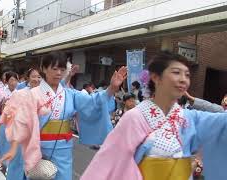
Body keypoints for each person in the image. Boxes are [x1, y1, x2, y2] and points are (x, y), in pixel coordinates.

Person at [81, 51, 227, 180]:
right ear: (156, 77)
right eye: (176, 72)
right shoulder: (134, 118)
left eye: (187, 75)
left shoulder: (189, 118)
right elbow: (106, 163)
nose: (184, 79)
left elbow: (222, 122)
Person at [0, 52, 127, 180]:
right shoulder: (31, 95)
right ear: (44, 69)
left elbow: (92, 101)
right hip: (36, 147)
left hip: (63, 148)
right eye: (54, 68)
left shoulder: (70, 94)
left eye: (62, 69)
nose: (58, 73)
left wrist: (111, 88)